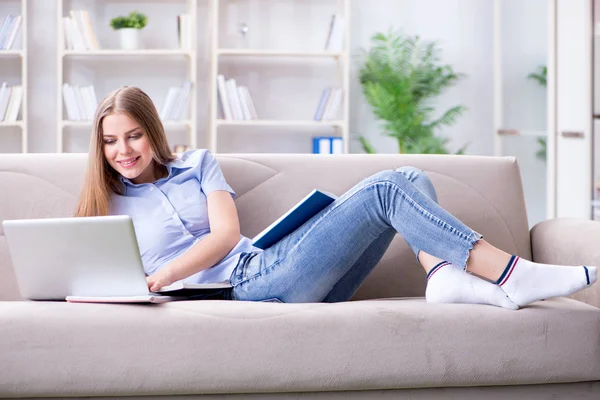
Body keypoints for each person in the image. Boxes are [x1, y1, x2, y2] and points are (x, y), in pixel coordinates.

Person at [75, 86, 597, 309]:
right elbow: (81, 275)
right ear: (99, 146)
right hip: (244, 293)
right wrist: (157, 281)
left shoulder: (198, 164)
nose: (124, 150)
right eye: (110, 140)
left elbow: (228, 235)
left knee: (410, 176)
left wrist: (162, 274)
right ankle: (510, 274)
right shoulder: (103, 203)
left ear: (153, 130)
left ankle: (440, 276)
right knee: (388, 188)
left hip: (265, 267)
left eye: (134, 135)